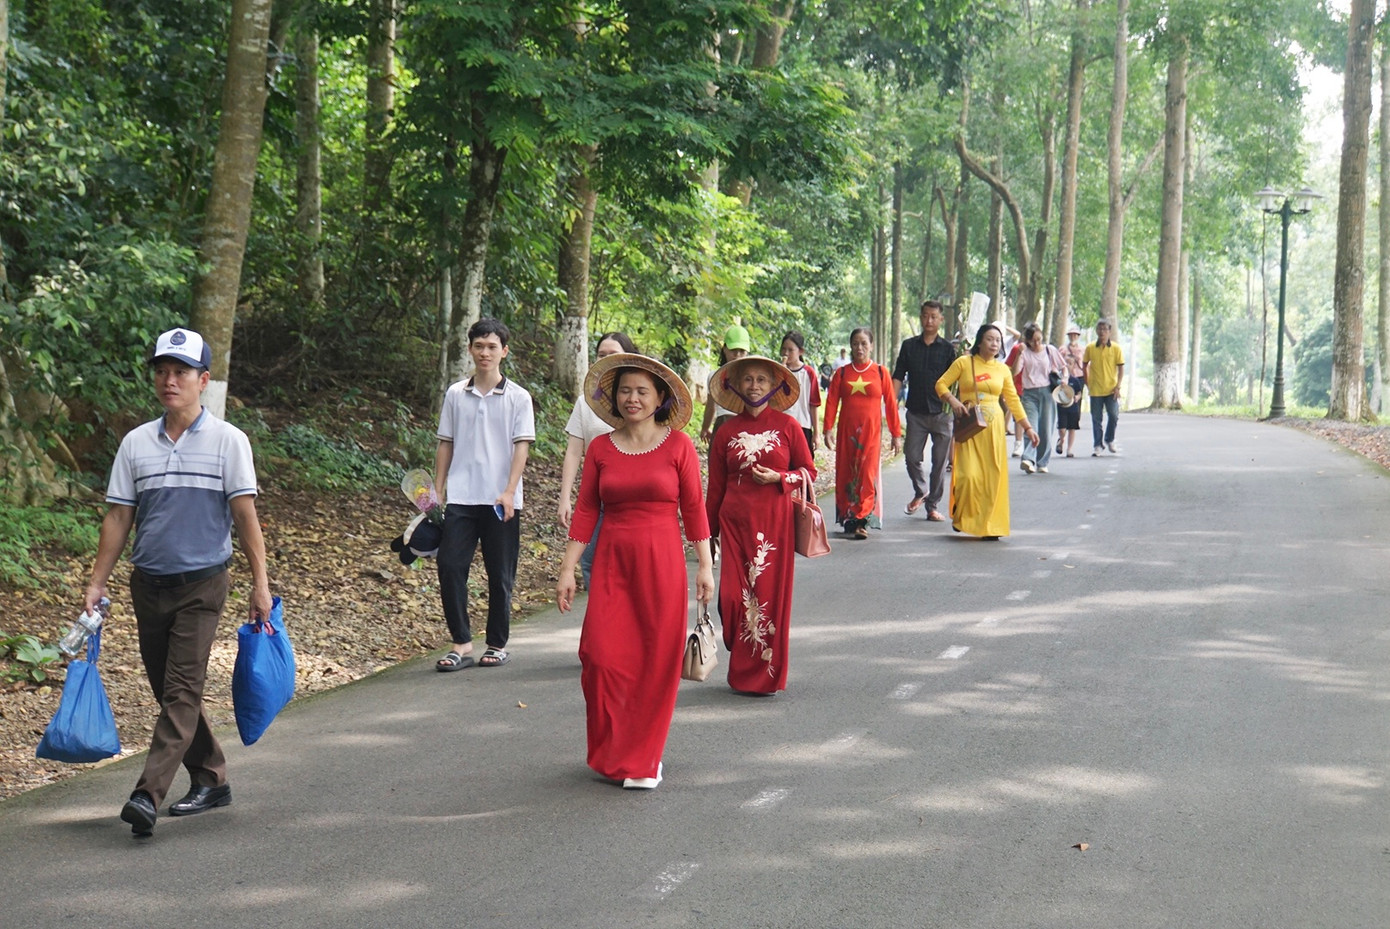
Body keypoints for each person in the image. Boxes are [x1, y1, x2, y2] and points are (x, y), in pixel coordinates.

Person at [82, 327, 272, 837]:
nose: (170, 381)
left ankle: (147, 794)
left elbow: (245, 516)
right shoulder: (136, 443)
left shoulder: (229, 441)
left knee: (182, 690)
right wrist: (97, 581)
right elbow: (119, 517)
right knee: (171, 692)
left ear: (203, 380)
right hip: (148, 586)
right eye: (162, 371)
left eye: (181, 372)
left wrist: (261, 583)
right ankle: (212, 777)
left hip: (203, 585)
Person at [556, 353, 714, 789]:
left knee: (655, 662)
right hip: (612, 564)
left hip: (661, 562)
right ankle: (614, 751)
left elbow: (694, 509)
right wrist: (568, 568)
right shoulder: (602, 448)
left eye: (642, 391)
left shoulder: (679, 446)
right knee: (599, 657)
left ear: (660, 397)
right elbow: (587, 509)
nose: (632, 398)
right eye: (625, 390)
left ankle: (644, 758)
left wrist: (705, 565)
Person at [705, 355, 816, 695]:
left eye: (761, 380)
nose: (754, 386)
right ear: (736, 386)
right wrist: (707, 534)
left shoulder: (788, 427)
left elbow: (809, 472)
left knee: (766, 599)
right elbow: (715, 487)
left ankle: (759, 676)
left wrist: (780, 478)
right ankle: (739, 650)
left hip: (774, 527)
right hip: (734, 523)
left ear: (774, 386)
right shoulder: (725, 431)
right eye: (748, 380)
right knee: (732, 599)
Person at [434, 318, 535, 671]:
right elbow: (445, 443)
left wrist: (509, 492)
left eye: (492, 346)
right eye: (479, 346)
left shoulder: (519, 397)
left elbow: (521, 447)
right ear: (470, 349)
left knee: (500, 573)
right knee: (449, 565)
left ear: (504, 351)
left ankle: (497, 643)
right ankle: (461, 644)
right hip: (461, 497)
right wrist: (438, 490)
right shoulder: (454, 394)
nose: (485, 352)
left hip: (500, 501)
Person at [936, 323, 1039, 540]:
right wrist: (954, 401)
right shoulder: (964, 363)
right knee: (968, 477)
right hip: (970, 426)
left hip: (993, 429)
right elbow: (941, 384)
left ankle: (991, 526)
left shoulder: (1002, 369)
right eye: (990, 339)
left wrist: (1028, 427)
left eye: (998, 340)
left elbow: (1012, 400)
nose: (995, 343)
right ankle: (962, 514)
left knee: (993, 479)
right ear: (980, 341)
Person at [557, 331, 638, 589]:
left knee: (630, 569)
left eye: (612, 354)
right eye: (601, 355)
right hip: (596, 497)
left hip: (632, 499)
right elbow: (573, 451)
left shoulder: (638, 402)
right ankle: (601, 621)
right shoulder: (586, 402)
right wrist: (565, 497)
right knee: (591, 564)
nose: (605, 359)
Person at [822, 327, 902, 539]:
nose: (859, 348)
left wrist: (896, 433)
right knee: (847, 472)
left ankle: (862, 519)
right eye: (855, 343)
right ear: (850, 346)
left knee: (867, 473)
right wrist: (827, 429)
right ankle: (849, 517)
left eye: (864, 343)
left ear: (872, 346)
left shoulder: (880, 372)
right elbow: (831, 402)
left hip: (872, 432)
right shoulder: (842, 373)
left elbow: (891, 404)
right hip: (847, 432)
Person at [892, 300, 957, 521]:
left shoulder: (949, 349)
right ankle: (921, 490)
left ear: (941, 320)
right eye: (925, 316)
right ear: (920, 317)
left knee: (939, 462)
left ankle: (932, 506)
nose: (929, 320)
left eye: (933, 317)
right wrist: (891, 402)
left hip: (942, 412)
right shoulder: (909, 346)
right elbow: (898, 375)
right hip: (916, 412)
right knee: (911, 456)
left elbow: (958, 378)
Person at [1009, 322, 1067, 475]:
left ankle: (1042, 461)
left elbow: (1063, 366)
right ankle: (1028, 459)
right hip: (1029, 394)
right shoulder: (1025, 352)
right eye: (1033, 340)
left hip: (1048, 393)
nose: (1036, 343)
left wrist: (1065, 380)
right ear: (1027, 340)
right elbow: (1014, 372)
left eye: (1039, 339)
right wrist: (1019, 354)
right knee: (1031, 426)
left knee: (1046, 428)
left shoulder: (1050, 350)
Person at [699, 323, 752, 444]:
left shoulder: (752, 377)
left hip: (746, 425)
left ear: (747, 352)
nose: (737, 355)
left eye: (741, 351)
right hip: (723, 423)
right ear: (725, 349)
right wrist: (705, 428)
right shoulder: (715, 377)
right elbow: (710, 407)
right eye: (733, 350)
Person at [1083, 319, 1125, 455]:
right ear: (1096, 331)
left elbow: (1121, 368)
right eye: (1099, 329)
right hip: (1095, 389)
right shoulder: (1090, 348)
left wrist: (1118, 386)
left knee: (1114, 415)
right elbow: (1084, 365)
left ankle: (1109, 438)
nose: (1102, 332)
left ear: (1109, 332)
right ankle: (1098, 445)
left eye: (1105, 329)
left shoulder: (1116, 348)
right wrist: (1087, 382)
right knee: (1096, 418)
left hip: (1111, 389)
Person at [779, 331, 822, 453]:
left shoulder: (808, 373)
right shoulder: (776, 371)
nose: (786, 353)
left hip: (802, 425)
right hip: (781, 425)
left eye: (790, 350)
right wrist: (781, 372)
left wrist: (816, 434)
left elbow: (813, 404)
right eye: (783, 349)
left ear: (800, 351)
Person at [1056, 324, 1087, 457]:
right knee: (1063, 406)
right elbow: (1057, 362)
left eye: (1075, 335)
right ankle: (1062, 437)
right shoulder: (1063, 349)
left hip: (1078, 377)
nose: (1073, 337)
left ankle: (1073, 426)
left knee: (1075, 406)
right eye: (1071, 335)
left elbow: (1086, 365)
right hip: (1064, 379)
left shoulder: (1082, 349)